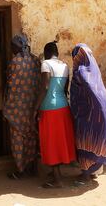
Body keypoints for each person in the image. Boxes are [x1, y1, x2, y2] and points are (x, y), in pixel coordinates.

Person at [34, 41, 76, 188]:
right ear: (57, 53)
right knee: (60, 141)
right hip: (63, 107)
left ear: (46, 53)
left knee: (51, 142)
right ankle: (56, 174)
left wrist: (35, 109)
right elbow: (65, 89)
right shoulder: (65, 65)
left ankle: (58, 180)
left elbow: (45, 87)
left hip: (49, 108)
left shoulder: (45, 64)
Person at [70, 43, 106, 185]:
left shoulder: (80, 71)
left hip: (89, 112)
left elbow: (84, 92)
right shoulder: (94, 70)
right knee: (97, 140)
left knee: (85, 140)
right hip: (103, 110)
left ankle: (85, 175)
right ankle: (93, 171)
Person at [3, 34, 40, 179]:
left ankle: (20, 170)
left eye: (13, 45)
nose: (11, 48)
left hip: (17, 109)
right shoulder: (36, 60)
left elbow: (10, 85)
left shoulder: (15, 61)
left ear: (18, 46)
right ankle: (32, 167)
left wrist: (6, 105)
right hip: (32, 107)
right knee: (31, 137)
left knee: (18, 139)